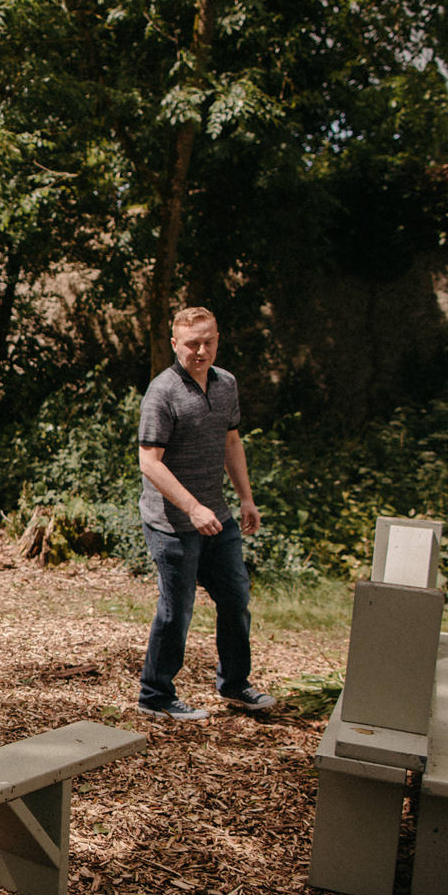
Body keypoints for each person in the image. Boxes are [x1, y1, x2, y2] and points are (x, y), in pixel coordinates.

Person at [136, 307, 275, 720]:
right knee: (176, 611)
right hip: (173, 523)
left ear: (218, 339)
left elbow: (231, 442)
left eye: (208, 341)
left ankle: (235, 684)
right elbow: (150, 462)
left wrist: (245, 498)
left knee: (236, 600)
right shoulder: (162, 392)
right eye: (192, 343)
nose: (201, 350)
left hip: (218, 517)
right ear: (175, 343)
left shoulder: (226, 384)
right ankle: (155, 695)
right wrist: (192, 507)